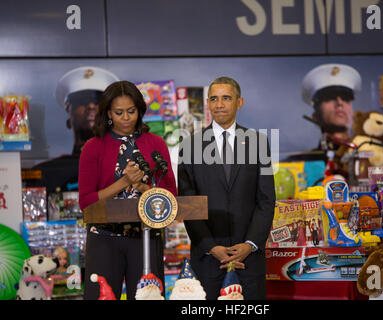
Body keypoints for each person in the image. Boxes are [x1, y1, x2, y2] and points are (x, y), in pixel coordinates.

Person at [177, 76, 275, 300]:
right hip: (209, 261)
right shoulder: (189, 145)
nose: (219, 104)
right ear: (208, 104)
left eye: (226, 98)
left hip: (249, 260)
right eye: (214, 99)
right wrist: (212, 247)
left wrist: (249, 244)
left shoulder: (258, 142)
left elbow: (266, 200)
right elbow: (187, 204)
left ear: (239, 102)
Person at [78, 80, 177, 300]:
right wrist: (124, 181)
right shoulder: (93, 146)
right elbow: (86, 202)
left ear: (140, 111)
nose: (126, 117)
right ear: (108, 113)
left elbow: (170, 194)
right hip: (103, 238)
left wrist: (143, 187)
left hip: (146, 237)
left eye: (131, 111)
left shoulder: (156, 143)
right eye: (119, 112)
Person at [30, 66, 119, 193]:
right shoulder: (45, 173)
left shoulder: (129, 168)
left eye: (99, 101)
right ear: (69, 115)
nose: (91, 106)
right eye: (82, 100)